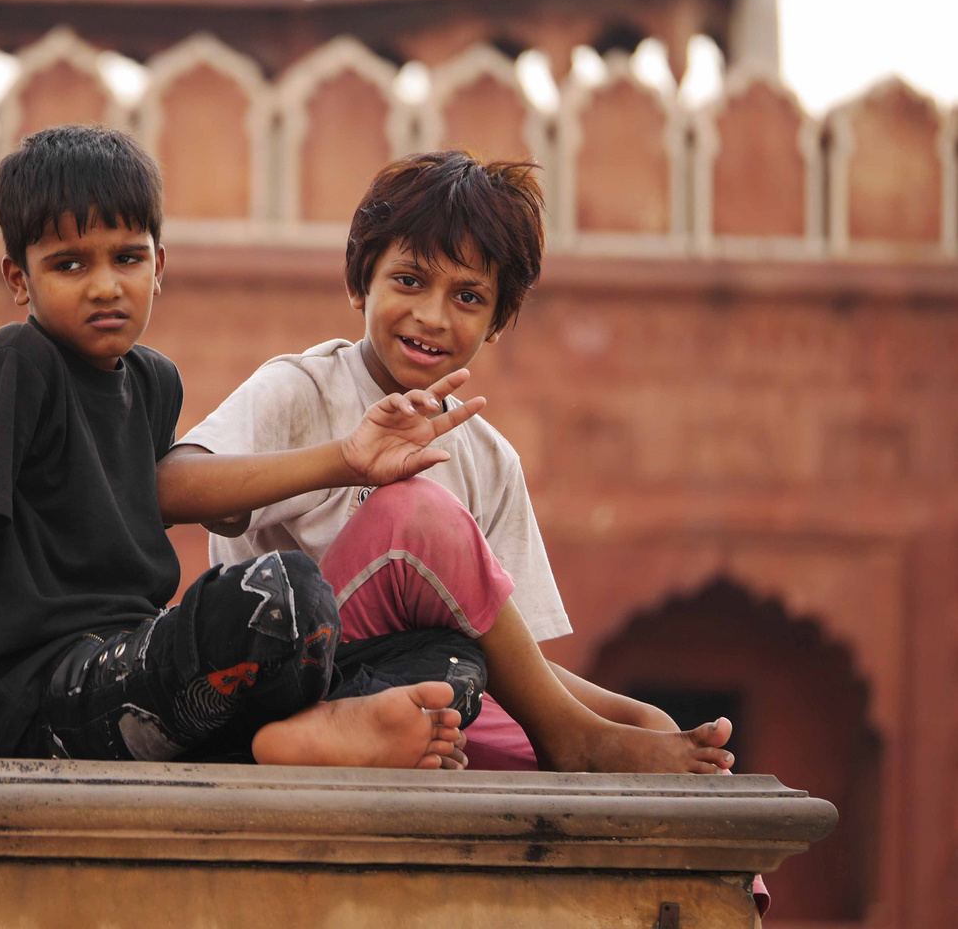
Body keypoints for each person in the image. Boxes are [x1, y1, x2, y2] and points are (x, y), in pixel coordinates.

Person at [0, 125, 479, 769]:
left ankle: (292, 738)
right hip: (41, 700)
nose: (105, 286)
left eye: (126, 258)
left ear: (158, 266)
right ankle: (276, 741)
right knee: (282, 592)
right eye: (69, 264)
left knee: (453, 657)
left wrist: (348, 459)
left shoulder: (153, 380)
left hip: (140, 671)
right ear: (20, 280)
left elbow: (176, 498)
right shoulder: (10, 367)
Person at [162, 151, 736, 775]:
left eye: (467, 296)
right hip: (285, 673)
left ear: (497, 322)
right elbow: (173, 486)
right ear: (360, 283)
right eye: (409, 280)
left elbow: (510, 665)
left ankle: (610, 764)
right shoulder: (306, 389)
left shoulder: (488, 458)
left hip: (419, 686)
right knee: (416, 514)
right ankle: (571, 738)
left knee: (641, 737)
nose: (432, 316)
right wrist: (343, 463)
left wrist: (624, 718)